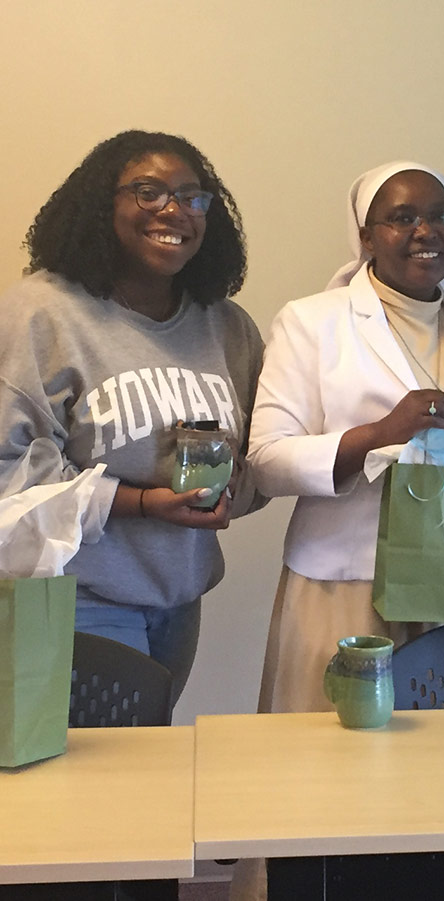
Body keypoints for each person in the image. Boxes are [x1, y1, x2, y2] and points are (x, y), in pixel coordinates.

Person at [246, 160, 444, 714]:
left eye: (439, 216)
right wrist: (381, 433)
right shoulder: (312, 323)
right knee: (329, 759)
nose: (425, 232)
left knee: (442, 767)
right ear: (366, 237)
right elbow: (264, 461)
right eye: (402, 218)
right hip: (346, 583)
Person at [0, 130, 263, 706]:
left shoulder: (228, 327)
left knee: (147, 768)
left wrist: (235, 488)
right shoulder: (42, 313)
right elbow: (9, 466)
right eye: (149, 192)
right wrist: (141, 503)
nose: (175, 210)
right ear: (103, 205)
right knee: (97, 782)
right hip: (77, 596)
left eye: (194, 198)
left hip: (181, 599)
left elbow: (259, 455)